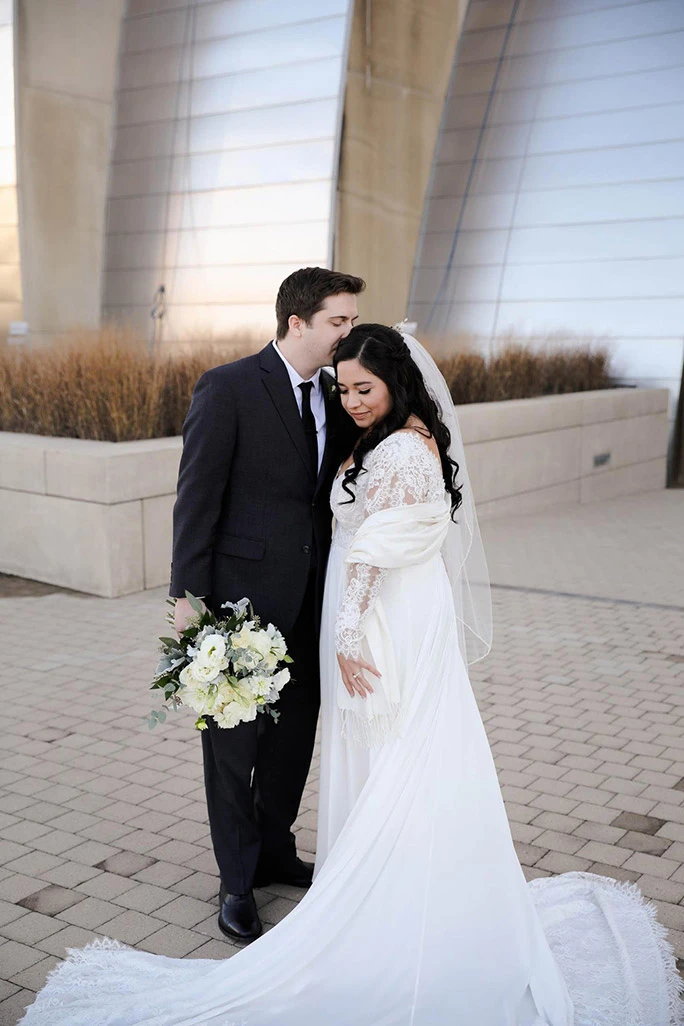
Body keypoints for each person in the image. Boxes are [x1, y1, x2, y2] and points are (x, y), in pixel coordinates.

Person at [19, 325, 682, 1026]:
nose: (353, 401)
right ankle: (384, 876)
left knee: (394, 743)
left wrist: (344, 630)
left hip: (381, 619)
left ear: (397, 382)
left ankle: (395, 893)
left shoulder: (401, 446)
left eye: (365, 388)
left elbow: (377, 545)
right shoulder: (380, 436)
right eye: (345, 388)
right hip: (378, 608)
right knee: (387, 746)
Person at [168, 266, 364, 941]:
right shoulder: (228, 389)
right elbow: (195, 500)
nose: (348, 332)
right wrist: (188, 599)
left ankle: (275, 849)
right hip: (238, 606)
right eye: (339, 321)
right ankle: (236, 881)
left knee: (292, 739)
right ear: (297, 322)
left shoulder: (335, 397)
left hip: (311, 602)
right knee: (233, 746)